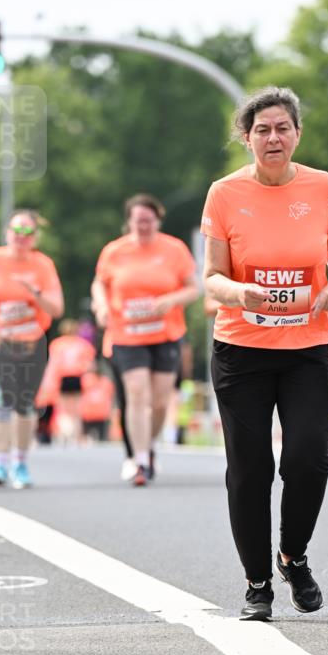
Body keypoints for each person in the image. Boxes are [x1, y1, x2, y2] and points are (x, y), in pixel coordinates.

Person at [201, 85, 328, 621]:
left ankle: (293, 556)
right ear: (246, 138)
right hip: (242, 349)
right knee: (250, 470)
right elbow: (211, 278)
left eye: (281, 127)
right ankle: (257, 583)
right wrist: (242, 293)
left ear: (297, 134)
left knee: (308, 459)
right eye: (261, 129)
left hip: (309, 345)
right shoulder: (224, 194)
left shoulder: (321, 186)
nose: (272, 137)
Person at [91, 193, 199, 486]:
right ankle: (139, 460)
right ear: (129, 222)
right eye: (138, 221)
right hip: (125, 333)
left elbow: (194, 288)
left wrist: (171, 299)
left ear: (158, 220)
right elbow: (100, 283)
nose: (143, 226)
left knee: (161, 401)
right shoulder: (114, 252)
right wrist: (100, 305)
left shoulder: (174, 249)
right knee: (136, 393)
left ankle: (147, 445)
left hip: (166, 333)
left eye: (149, 220)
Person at [0, 209, 64, 487]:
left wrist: (35, 292)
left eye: (27, 233)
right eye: (16, 231)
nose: (21, 237)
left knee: (24, 404)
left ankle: (20, 463)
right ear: (7, 232)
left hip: (31, 343)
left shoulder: (43, 265)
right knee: (3, 397)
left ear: (35, 237)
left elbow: (57, 308)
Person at [47, 319, 96, 444]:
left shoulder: (57, 344)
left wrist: (51, 381)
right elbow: (90, 364)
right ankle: (76, 435)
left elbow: (53, 365)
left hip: (63, 377)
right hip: (76, 377)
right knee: (76, 408)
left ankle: (65, 433)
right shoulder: (82, 345)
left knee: (64, 408)